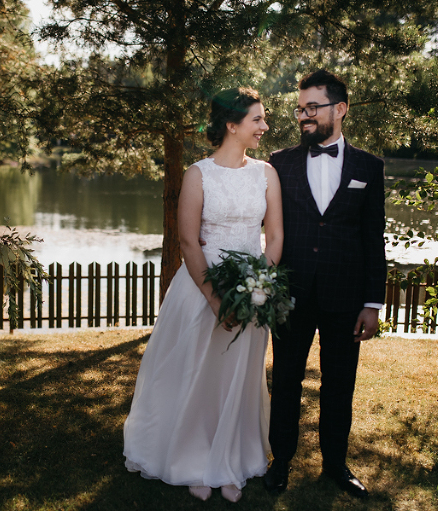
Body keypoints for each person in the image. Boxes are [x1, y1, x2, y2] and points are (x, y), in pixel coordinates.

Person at [123, 87, 283, 503]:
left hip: (251, 290)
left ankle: (230, 459)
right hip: (201, 287)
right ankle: (192, 459)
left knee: (236, 377)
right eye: (257, 119)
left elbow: (275, 237)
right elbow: (188, 242)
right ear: (232, 125)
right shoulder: (198, 174)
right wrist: (216, 299)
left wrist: (256, 288)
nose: (265, 127)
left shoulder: (267, 173)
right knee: (196, 373)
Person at [263, 70, 386, 498]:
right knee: (286, 382)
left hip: (345, 298)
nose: (304, 116)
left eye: (312, 107)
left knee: (339, 385)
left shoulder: (369, 166)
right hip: (291, 295)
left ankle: (335, 464)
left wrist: (372, 303)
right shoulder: (278, 163)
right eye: (300, 108)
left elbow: (373, 238)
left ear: (340, 109)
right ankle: (280, 461)